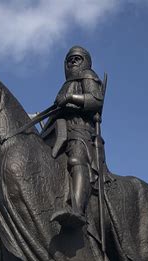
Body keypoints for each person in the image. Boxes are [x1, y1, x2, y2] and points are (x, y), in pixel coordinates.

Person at [44, 46, 104, 228]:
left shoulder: (87, 75)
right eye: (70, 59)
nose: (72, 62)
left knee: (77, 159)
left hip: (80, 131)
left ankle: (77, 211)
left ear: (84, 61)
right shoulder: (64, 85)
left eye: (77, 59)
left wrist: (71, 97)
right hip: (59, 132)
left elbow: (95, 100)